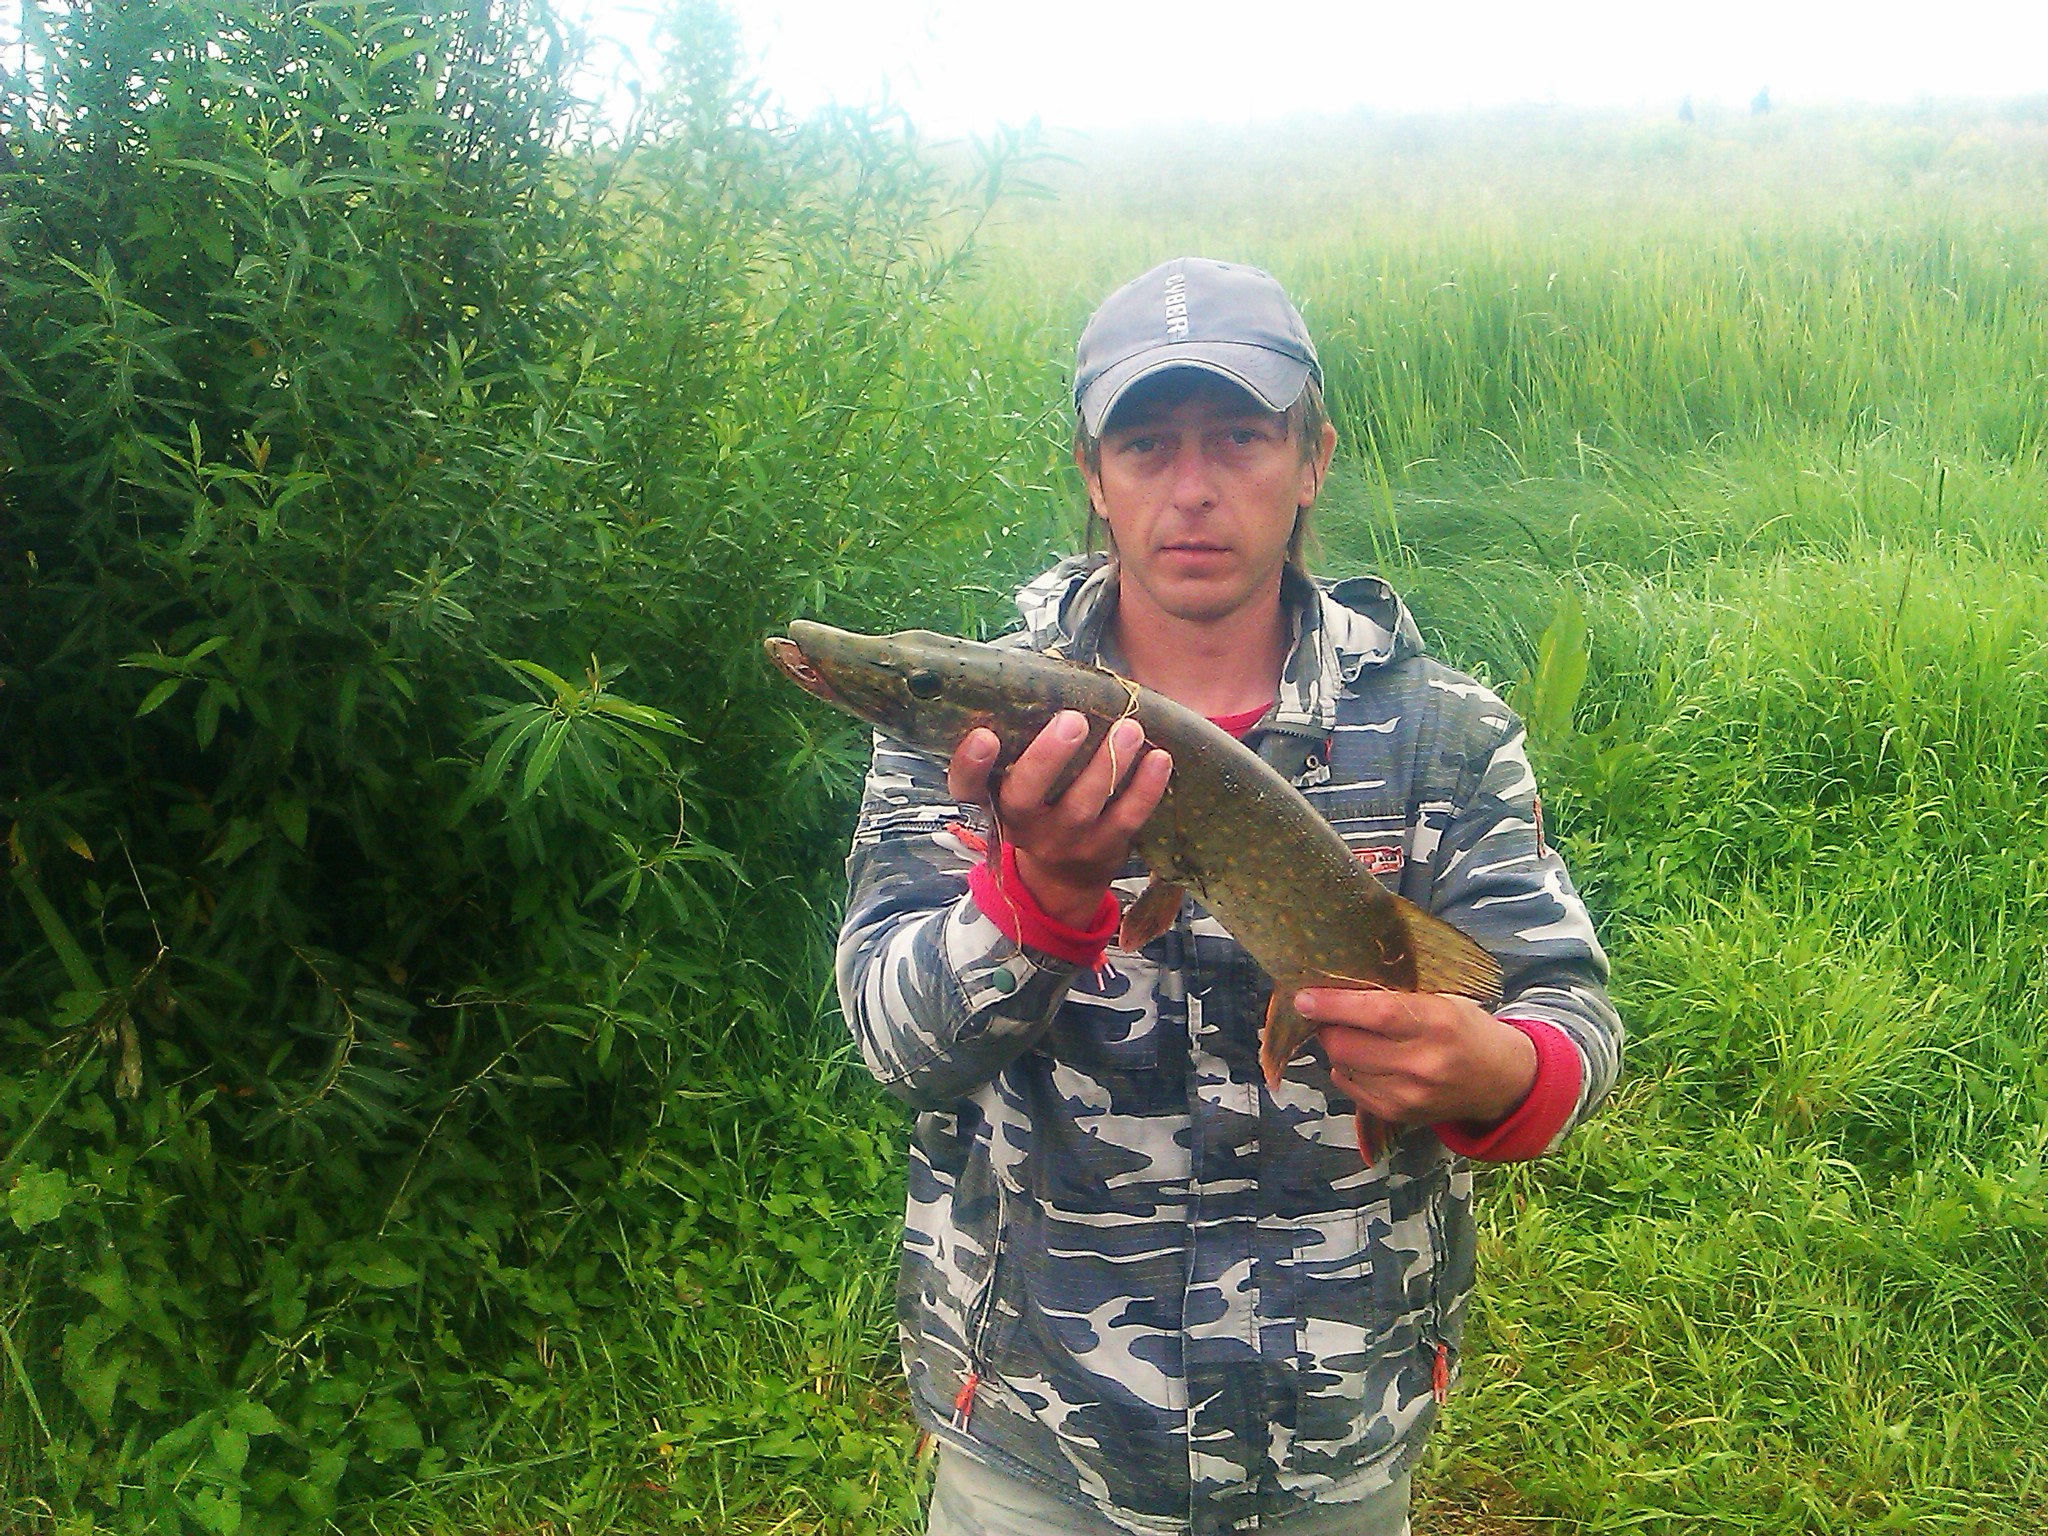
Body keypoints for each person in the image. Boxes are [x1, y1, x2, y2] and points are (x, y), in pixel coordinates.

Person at [837, 256, 1621, 1535]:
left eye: (1238, 439)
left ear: (1311, 459)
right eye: (1145, 445)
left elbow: (1568, 1018)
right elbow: (893, 1042)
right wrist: (1035, 895)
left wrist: (1493, 1070)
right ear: (1093, 476)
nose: (1191, 489)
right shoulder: (967, 721)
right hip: (1038, 1439)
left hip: (1331, 1437)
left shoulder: (1442, 735)